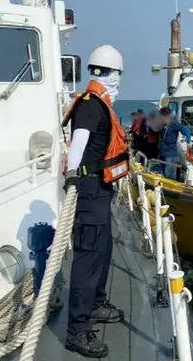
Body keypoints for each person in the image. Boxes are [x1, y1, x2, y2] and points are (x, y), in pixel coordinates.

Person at [61, 45, 129, 358]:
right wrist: (72, 177)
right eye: (116, 73)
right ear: (111, 74)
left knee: (103, 250)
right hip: (89, 190)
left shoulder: (100, 104)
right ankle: (77, 330)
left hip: (100, 190)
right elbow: (78, 144)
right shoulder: (91, 105)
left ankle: (97, 303)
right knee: (87, 259)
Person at [157, 106, 191, 180]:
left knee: (169, 175)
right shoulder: (163, 126)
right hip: (163, 153)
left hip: (171, 154)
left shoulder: (174, 124)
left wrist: (188, 143)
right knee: (164, 174)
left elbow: (187, 130)